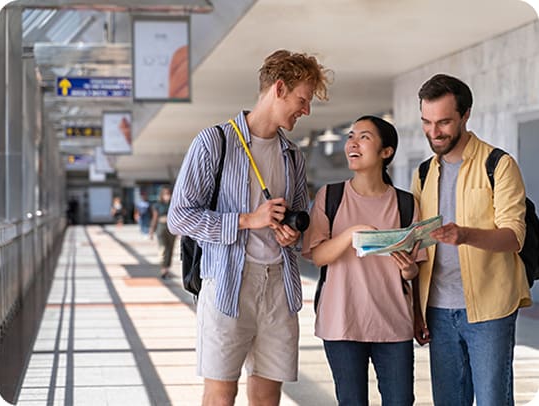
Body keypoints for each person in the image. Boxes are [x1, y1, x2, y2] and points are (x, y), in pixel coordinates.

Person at [167, 49, 331, 406]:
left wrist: (291, 233)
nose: (306, 110)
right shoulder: (214, 142)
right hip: (227, 283)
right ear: (279, 88)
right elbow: (179, 216)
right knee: (221, 392)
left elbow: (299, 212)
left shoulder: (293, 155)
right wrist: (246, 220)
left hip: (278, 286)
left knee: (269, 394)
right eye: (302, 100)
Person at [411, 73, 532, 405]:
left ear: (465, 115)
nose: (434, 132)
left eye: (444, 122)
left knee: (493, 400)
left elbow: (513, 237)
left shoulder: (499, 164)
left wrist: (465, 235)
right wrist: (416, 310)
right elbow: (418, 244)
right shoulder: (423, 173)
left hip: (490, 310)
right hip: (437, 308)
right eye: (427, 122)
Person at [302, 116, 425, 406]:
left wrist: (408, 268)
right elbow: (317, 255)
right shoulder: (330, 196)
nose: (353, 143)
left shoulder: (406, 204)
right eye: (351, 136)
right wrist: (351, 234)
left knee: (400, 401)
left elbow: (415, 268)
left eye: (364, 137)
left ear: (387, 152)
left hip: (393, 322)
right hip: (341, 321)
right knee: (351, 401)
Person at [150, 186, 176, 279]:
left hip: (171, 228)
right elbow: (155, 218)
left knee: (170, 249)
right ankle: (163, 268)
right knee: (163, 248)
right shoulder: (157, 205)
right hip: (161, 227)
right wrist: (151, 231)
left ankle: (167, 269)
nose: (167, 196)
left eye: (168, 193)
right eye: (165, 194)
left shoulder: (173, 204)